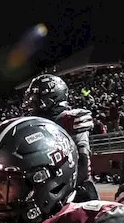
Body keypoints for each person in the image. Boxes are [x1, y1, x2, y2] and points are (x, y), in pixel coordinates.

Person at [23, 74, 97, 202]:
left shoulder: (69, 120)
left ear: (53, 97)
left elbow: (82, 163)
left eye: (36, 96)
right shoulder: (34, 122)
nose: (31, 100)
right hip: (48, 188)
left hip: (75, 190)